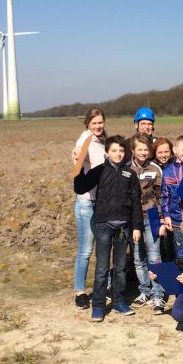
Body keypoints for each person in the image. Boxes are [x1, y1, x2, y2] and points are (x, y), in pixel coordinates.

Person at [74, 135, 143, 322]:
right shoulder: (99, 170)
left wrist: (137, 226)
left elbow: (137, 202)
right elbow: (80, 187)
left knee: (120, 268)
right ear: (107, 152)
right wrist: (79, 165)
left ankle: (119, 301)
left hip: (124, 227)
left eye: (121, 150)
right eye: (114, 150)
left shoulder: (130, 174)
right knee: (102, 268)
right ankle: (98, 305)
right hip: (103, 224)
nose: (118, 154)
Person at [70, 107, 107, 310]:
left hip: (101, 201)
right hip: (87, 201)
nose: (98, 126)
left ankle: (104, 287)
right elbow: (78, 152)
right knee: (86, 249)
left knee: (103, 247)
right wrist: (76, 154)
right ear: (87, 124)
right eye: (94, 123)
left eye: (100, 122)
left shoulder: (103, 139)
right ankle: (80, 291)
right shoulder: (85, 138)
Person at [130, 133, 167, 314]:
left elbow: (161, 197)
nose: (143, 152)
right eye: (140, 149)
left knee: (154, 257)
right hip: (134, 218)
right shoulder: (127, 169)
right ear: (133, 150)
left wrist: (161, 220)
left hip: (152, 215)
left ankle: (158, 295)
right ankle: (144, 291)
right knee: (138, 257)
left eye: (146, 149)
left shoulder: (155, 169)